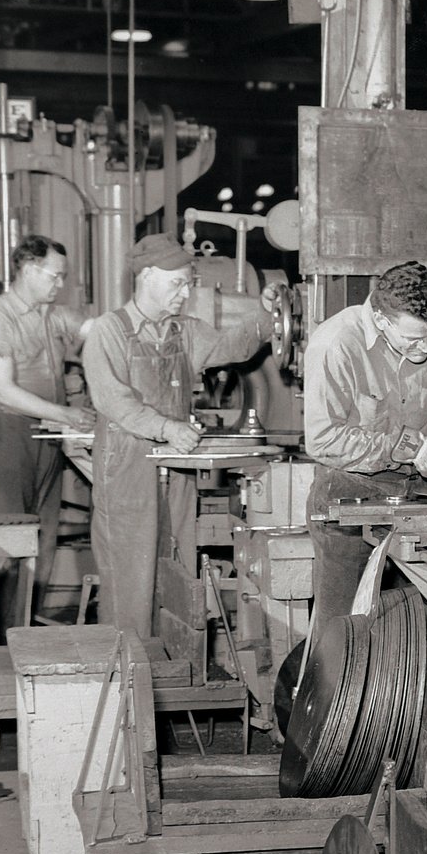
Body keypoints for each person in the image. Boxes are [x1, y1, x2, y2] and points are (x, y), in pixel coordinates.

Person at [82, 233, 280, 644]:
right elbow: (114, 401)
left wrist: (264, 313)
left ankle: (173, 667)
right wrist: (168, 428)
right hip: (127, 468)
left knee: (177, 565)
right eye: (177, 283)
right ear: (147, 276)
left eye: (188, 283)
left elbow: (231, 348)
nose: (185, 292)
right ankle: (126, 671)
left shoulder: (183, 331)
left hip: (175, 468)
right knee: (130, 576)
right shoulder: (109, 331)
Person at [303, 260, 427, 618]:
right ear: (381, 320)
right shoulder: (337, 343)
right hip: (348, 495)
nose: (425, 349)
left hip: (418, 496)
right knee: (344, 626)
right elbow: (323, 438)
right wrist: (410, 448)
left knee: (421, 621)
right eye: (412, 339)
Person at [0, 234, 91, 572]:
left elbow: (99, 330)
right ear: (27, 269)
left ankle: (30, 621)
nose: (61, 284)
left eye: (63, 276)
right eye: (55, 276)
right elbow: (5, 391)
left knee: (43, 533)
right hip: (7, 431)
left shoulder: (50, 315)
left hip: (45, 431)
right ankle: (5, 622)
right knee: (9, 533)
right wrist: (67, 414)